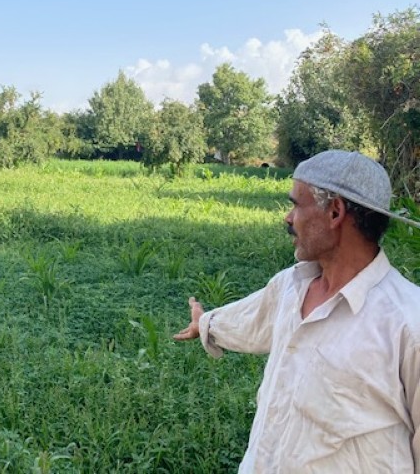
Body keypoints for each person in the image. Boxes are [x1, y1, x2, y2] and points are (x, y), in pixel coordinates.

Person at [174, 150, 420, 472]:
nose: (288, 219)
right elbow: (252, 319)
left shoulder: (408, 322)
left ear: (335, 212)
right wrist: (206, 322)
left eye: (296, 205)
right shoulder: (291, 286)